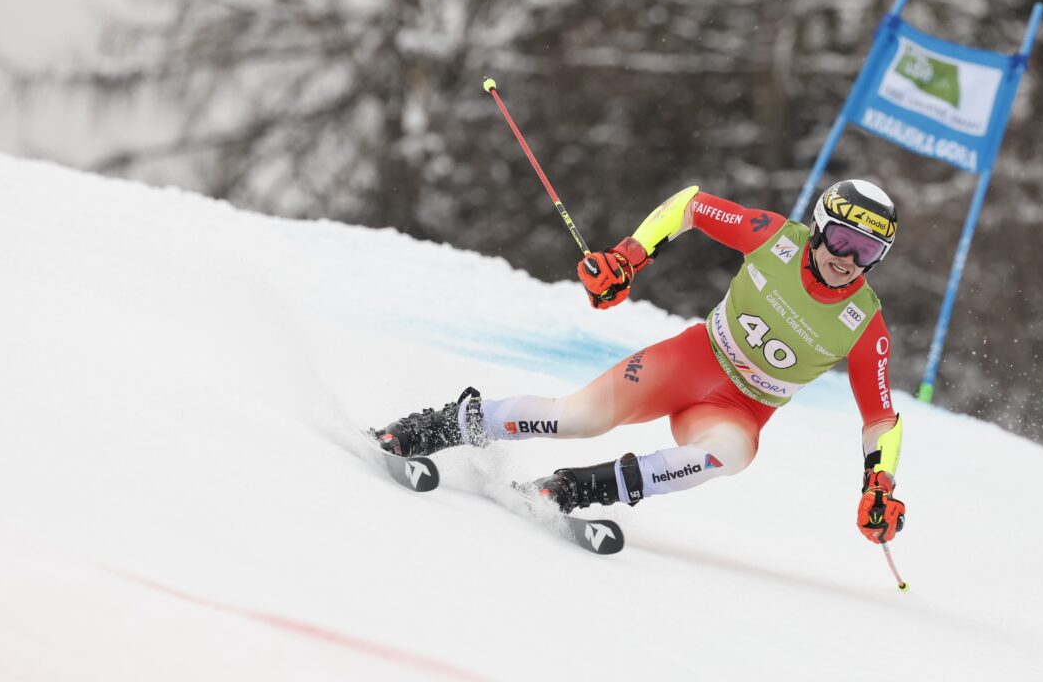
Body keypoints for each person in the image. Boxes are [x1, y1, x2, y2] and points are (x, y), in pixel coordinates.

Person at [374, 179, 907, 544]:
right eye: (841, 239)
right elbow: (691, 205)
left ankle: (571, 489)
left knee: (727, 455)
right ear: (818, 227)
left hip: (740, 409)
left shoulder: (864, 324)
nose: (847, 259)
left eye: (866, 252)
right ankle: (431, 427)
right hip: (693, 361)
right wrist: (629, 258)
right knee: (578, 417)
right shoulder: (774, 239)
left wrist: (877, 486)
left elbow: (880, 418)